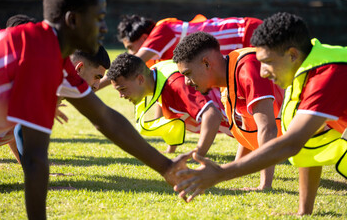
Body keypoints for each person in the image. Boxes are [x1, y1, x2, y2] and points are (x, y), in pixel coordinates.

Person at [0, 0, 190, 219]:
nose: (104, 28)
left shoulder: (48, 52)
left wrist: (166, 167)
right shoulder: (38, 56)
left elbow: (105, 118)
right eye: (99, 18)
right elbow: (34, 159)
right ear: (73, 20)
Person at [173, 12, 347, 215]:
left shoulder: (327, 73)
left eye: (267, 62)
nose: (262, 72)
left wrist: (221, 173)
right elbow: (309, 148)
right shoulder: (307, 73)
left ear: (292, 55)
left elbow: (291, 143)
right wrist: (304, 213)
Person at [172, 31, 284, 190]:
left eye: (188, 73)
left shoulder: (247, 66)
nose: (187, 82)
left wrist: (264, 185)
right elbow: (250, 129)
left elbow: (267, 128)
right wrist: (230, 171)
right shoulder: (230, 74)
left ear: (206, 63)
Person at [107, 53, 232, 155]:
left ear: (140, 79)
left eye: (122, 89)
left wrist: (198, 155)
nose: (121, 96)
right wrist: (170, 151)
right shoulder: (156, 73)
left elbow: (212, 115)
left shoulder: (176, 84)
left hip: (243, 116)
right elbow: (176, 118)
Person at [98, 14, 263, 89]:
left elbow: (133, 63)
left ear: (143, 38)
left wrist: (96, 86)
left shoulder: (162, 31)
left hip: (247, 32)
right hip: (243, 40)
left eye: (130, 48)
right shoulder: (162, 55)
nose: (132, 53)